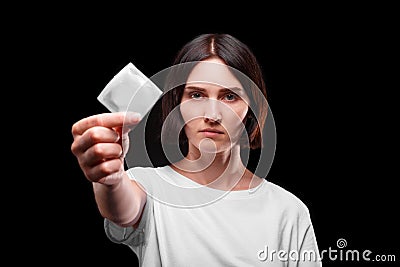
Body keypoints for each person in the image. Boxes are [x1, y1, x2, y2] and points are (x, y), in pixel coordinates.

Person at [71, 33, 322, 266]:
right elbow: (121, 209)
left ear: (251, 108)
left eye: (229, 97)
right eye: (197, 95)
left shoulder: (288, 210)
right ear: (178, 104)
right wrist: (109, 178)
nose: (212, 115)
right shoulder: (146, 186)